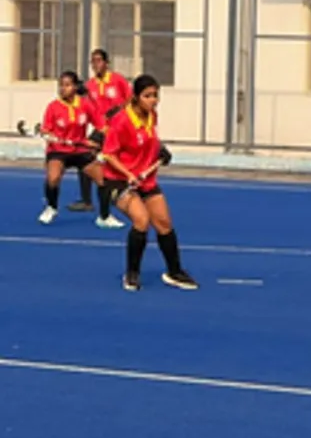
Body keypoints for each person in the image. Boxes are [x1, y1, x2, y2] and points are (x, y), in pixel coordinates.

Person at [100, 74, 197, 292]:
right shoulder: (122, 121)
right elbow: (109, 155)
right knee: (141, 220)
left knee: (164, 223)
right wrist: (128, 174)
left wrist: (160, 151)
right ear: (135, 97)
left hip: (146, 180)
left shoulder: (152, 115)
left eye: (155, 95)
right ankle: (132, 273)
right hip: (119, 182)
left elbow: (150, 140)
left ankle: (174, 271)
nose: (153, 100)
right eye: (148, 96)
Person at [38, 71, 123, 230]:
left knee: (104, 180)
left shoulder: (85, 105)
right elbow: (46, 131)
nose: (63, 89)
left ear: (75, 87)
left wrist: (110, 139)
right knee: (53, 178)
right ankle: (51, 207)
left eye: (67, 85)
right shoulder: (53, 107)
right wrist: (47, 134)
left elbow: (101, 126)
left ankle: (104, 217)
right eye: (61, 85)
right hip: (58, 150)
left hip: (80, 151)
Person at [69, 49, 132, 212]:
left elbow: (131, 99)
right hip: (102, 129)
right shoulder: (90, 85)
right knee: (84, 156)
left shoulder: (117, 80)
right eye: (93, 61)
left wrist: (119, 109)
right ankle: (86, 200)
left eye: (98, 60)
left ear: (106, 62)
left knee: (122, 163)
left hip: (118, 129)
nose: (95, 64)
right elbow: (86, 106)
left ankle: (124, 195)